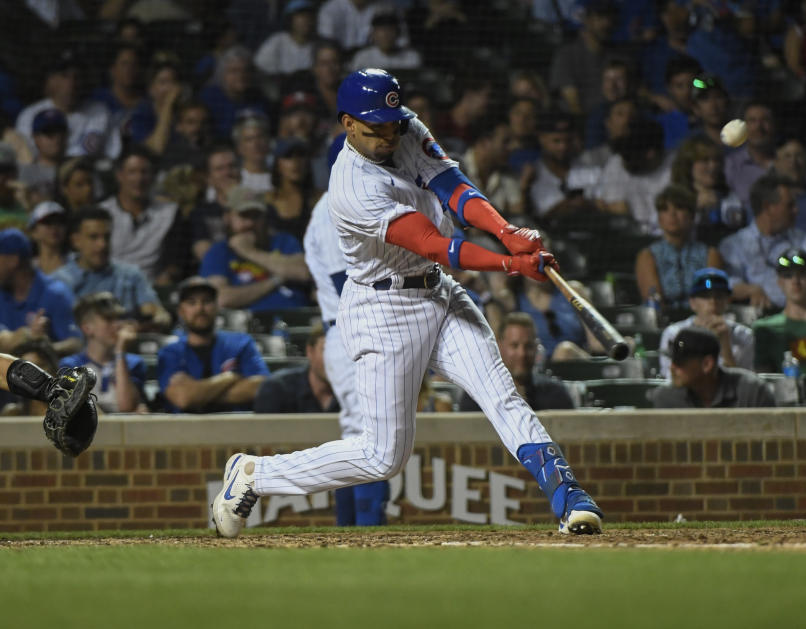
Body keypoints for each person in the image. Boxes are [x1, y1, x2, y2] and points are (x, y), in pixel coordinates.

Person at [211, 68, 603, 538]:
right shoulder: (352, 187)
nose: (388, 133)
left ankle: (570, 498)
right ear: (348, 124)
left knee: (501, 394)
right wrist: (512, 266)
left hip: (438, 291)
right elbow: (439, 245)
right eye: (375, 125)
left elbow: (455, 187)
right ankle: (255, 474)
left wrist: (507, 232)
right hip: (384, 310)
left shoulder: (405, 127)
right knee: (383, 457)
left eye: (393, 121)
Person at [303, 186, 390, 527]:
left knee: (364, 435)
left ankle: (355, 531)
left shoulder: (355, 200)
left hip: (359, 327)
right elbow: (347, 284)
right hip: (349, 327)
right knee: (369, 435)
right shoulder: (331, 207)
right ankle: (365, 532)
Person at [158, 276, 269, 413]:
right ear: (181, 311)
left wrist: (198, 394)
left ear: (217, 307)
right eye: (192, 303)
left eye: (207, 301)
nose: (200, 308)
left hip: (236, 428)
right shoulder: (170, 353)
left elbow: (260, 387)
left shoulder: (241, 343)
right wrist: (230, 377)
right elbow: (183, 397)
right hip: (185, 431)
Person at [51, 206, 171, 330]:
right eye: (93, 237)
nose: (102, 245)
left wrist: (139, 326)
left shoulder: (130, 275)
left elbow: (159, 315)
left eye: (106, 237)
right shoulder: (59, 282)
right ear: (76, 241)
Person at [199, 186, 311, 312]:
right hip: (245, 326)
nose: (250, 223)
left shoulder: (284, 241)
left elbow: (304, 272)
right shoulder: (219, 251)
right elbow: (221, 299)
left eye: (256, 216)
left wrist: (249, 252)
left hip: (296, 320)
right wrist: (276, 280)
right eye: (244, 216)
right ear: (228, 217)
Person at [719, 173, 806, 308]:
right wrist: (750, 289)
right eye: (789, 205)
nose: (796, 210)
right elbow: (726, 283)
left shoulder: (801, 240)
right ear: (767, 207)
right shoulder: (734, 244)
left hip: (799, 314)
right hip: (756, 316)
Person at [99, 147, 188, 284]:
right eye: (132, 172)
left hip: (151, 290)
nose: (139, 179)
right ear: (119, 175)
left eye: (144, 172)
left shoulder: (170, 213)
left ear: (153, 176)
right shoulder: (101, 213)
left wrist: (165, 279)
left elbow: (175, 261)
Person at [14, 50, 121, 160]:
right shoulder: (29, 116)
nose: (71, 83)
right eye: (64, 76)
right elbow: (25, 160)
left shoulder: (100, 113)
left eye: (77, 76)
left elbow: (112, 155)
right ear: (51, 80)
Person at [459, 311, 575, 411]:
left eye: (528, 346)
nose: (522, 354)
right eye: (514, 346)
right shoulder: (477, 394)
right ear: (499, 348)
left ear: (536, 348)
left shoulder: (555, 394)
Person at [636, 184, 723, 307]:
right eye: (665, 209)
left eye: (679, 208)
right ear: (660, 218)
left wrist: (707, 286)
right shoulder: (648, 256)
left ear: (692, 216)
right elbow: (654, 297)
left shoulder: (710, 254)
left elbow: (710, 289)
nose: (672, 214)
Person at [658, 267, 754, 380]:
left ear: (727, 301)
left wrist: (725, 345)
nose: (713, 302)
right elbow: (671, 378)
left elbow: (744, 386)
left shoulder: (744, 335)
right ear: (692, 303)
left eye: (719, 296)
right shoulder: (674, 333)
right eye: (705, 296)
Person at [60, 292, 147, 414]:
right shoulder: (71, 366)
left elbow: (126, 406)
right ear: (87, 328)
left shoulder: (134, 363)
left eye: (118, 318)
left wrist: (120, 352)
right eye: (109, 319)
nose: (117, 325)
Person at [0, 227, 81, 356]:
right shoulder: (2, 293)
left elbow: (77, 343)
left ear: (13, 261)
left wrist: (43, 348)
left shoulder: (55, 293)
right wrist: (28, 337)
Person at [652, 326, 775, 408]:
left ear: (707, 364)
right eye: (672, 360)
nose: (672, 367)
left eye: (680, 362)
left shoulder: (752, 392)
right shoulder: (665, 398)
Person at [548, 0, 620, 116]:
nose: (607, 23)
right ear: (586, 20)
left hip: (612, 120)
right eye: (600, 18)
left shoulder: (616, 53)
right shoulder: (567, 54)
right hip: (581, 120)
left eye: (609, 17)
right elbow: (572, 101)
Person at [670, 134, 745, 243]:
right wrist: (695, 209)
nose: (713, 166)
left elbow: (738, 234)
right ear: (688, 164)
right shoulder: (674, 199)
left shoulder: (730, 197)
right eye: (705, 160)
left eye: (717, 160)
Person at [724, 101, 778, 210]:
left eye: (765, 120)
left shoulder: (790, 161)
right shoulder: (731, 165)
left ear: (774, 125)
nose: (759, 127)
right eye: (752, 121)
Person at [190, 144, 240, 262]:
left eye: (232, 166)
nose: (227, 172)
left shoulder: (261, 207)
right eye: (219, 169)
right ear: (209, 178)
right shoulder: (200, 213)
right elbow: (204, 254)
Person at [264, 137, 320, 239]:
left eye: (301, 155)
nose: (296, 162)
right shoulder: (266, 201)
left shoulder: (320, 200)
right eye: (288, 156)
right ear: (277, 164)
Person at [254, 0, 317, 77]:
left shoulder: (318, 45)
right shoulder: (277, 41)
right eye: (301, 16)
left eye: (309, 16)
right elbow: (259, 67)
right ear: (290, 19)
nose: (306, 20)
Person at [348, 10, 422, 72]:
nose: (386, 35)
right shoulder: (362, 58)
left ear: (398, 33)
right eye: (382, 30)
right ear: (373, 34)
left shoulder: (411, 57)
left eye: (390, 29)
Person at [18, 109, 67, 196]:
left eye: (60, 131)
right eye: (49, 132)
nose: (57, 137)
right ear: (35, 137)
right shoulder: (23, 173)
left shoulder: (80, 169)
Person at [233, 114, 272, 194]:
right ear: (239, 148)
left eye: (260, 137)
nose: (256, 144)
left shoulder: (280, 179)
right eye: (249, 139)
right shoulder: (233, 180)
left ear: (268, 142)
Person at [27, 201, 69, 275]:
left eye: (60, 222)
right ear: (33, 232)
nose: (54, 227)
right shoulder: (27, 269)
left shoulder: (77, 263)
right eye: (47, 222)